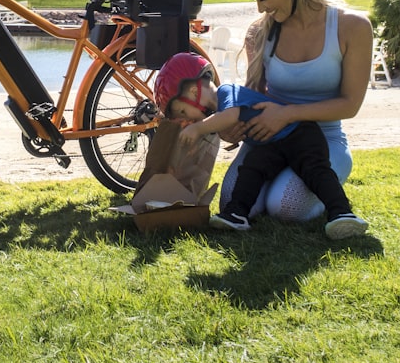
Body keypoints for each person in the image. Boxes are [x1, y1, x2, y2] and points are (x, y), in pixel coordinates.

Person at [218, 0, 375, 229]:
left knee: (285, 207)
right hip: (269, 138)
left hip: (324, 140)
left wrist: (288, 114)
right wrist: (234, 126)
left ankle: (321, 190)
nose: (260, 7)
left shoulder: (352, 27)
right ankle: (282, 178)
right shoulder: (259, 32)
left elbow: (350, 105)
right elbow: (253, 96)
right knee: (232, 203)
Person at [153, 52, 367, 238]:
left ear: (193, 92)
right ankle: (236, 214)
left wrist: (198, 129)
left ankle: (341, 212)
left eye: (182, 112)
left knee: (315, 170)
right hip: (271, 144)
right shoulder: (217, 113)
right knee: (251, 169)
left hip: (299, 134)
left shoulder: (226, 92)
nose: (187, 120)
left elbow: (232, 114)